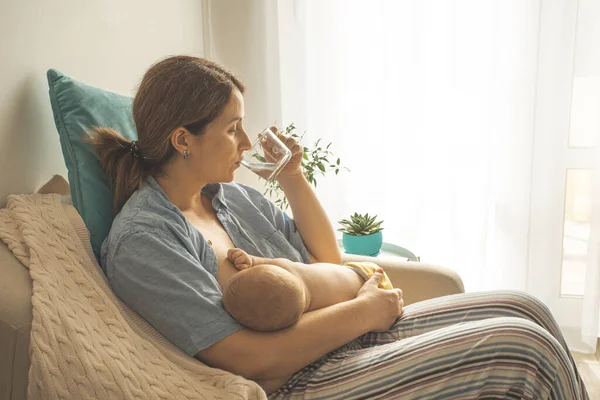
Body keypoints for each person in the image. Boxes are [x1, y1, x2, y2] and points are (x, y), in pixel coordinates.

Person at [92, 55, 589, 399]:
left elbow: (325, 261)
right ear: (183, 139)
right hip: (297, 381)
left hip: (339, 340)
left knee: (527, 308)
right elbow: (249, 361)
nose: (244, 141)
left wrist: (293, 178)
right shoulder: (144, 240)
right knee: (527, 351)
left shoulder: (232, 200)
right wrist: (367, 313)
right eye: (231, 128)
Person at [222, 247, 395, 331]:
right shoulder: (284, 267)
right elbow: (259, 262)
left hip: (361, 276)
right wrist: (250, 260)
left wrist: (251, 259)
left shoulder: (302, 310)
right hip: (368, 278)